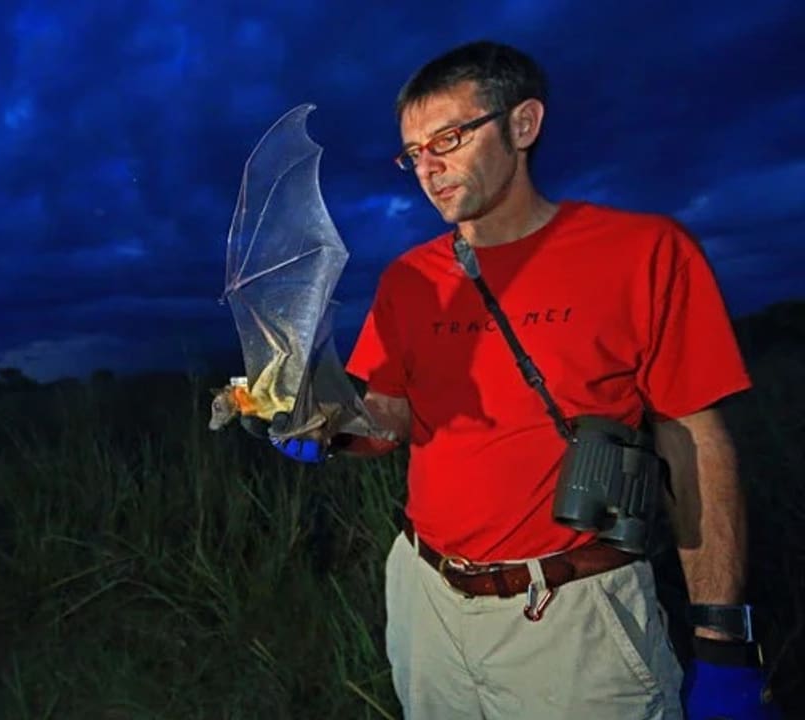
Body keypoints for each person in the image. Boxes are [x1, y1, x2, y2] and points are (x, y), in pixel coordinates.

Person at [266, 40, 779, 719]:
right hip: (427, 602)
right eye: (413, 153)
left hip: (574, 616)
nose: (428, 168)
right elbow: (387, 421)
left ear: (523, 124)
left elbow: (696, 447)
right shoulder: (408, 282)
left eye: (447, 138)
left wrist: (722, 645)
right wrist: (324, 427)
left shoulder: (643, 253)